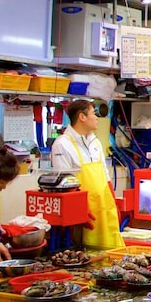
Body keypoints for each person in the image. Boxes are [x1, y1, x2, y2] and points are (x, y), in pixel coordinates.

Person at [51, 99, 122, 249]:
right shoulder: (62, 144)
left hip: (104, 207)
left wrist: (113, 204)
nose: (97, 117)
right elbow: (64, 184)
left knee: (109, 250)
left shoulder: (95, 142)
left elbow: (105, 175)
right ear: (82, 117)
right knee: (85, 250)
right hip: (83, 211)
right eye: (93, 114)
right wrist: (80, 211)